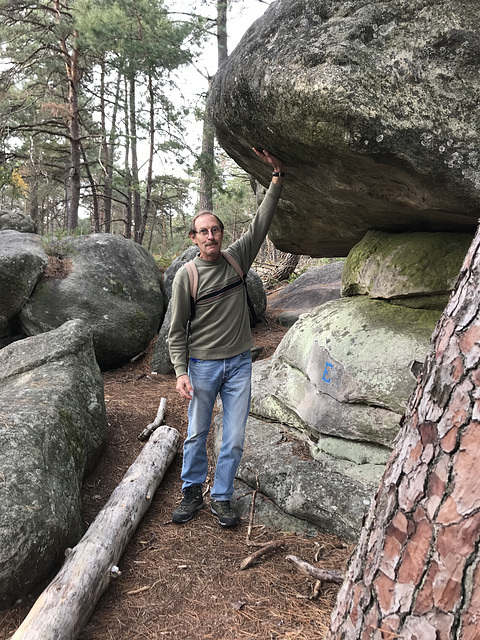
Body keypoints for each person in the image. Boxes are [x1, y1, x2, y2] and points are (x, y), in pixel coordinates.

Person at [168, 148, 285, 527]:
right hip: (201, 366)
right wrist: (180, 371)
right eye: (203, 231)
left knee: (233, 438)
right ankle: (191, 492)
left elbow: (261, 223)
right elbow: (176, 330)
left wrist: (276, 178)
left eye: (215, 229)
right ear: (194, 237)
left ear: (222, 234)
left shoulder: (237, 259)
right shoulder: (188, 275)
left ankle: (222, 496)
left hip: (238, 365)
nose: (210, 235)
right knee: (197, 432)